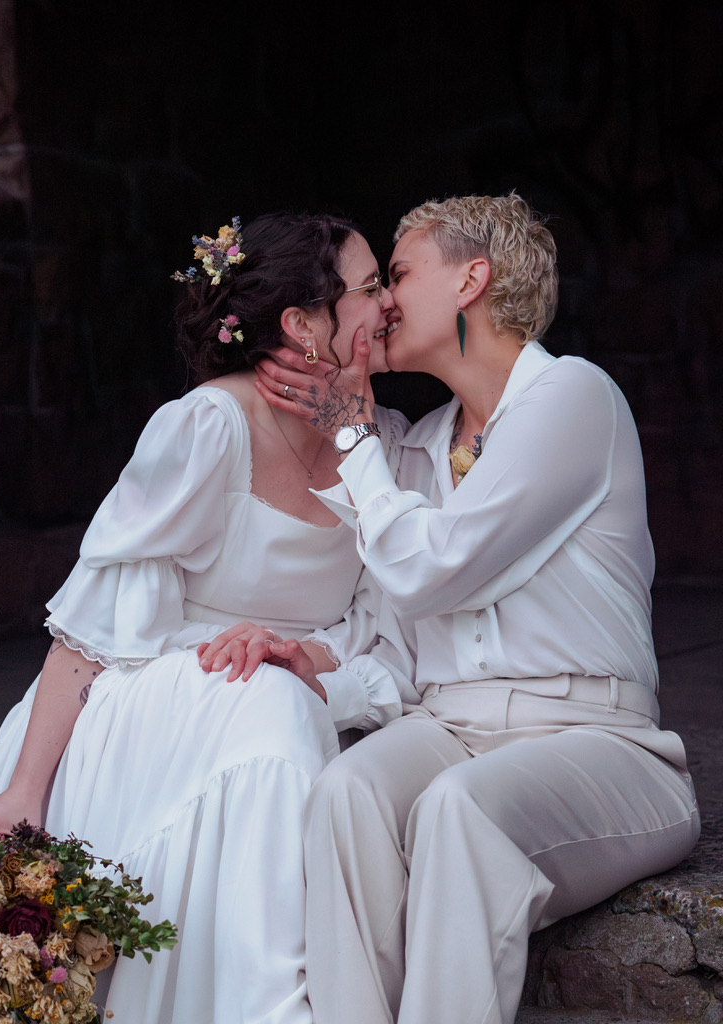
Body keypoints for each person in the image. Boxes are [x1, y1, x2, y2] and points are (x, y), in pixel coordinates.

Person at [242, 193, 700, 1024]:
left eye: (400, 273)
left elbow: (434, 570)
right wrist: (307, 672)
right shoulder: (418, 447)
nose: (383, 301)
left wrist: (352, 436)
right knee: (346, 792)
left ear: (471, 280)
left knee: (457, 809)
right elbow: (399, 646)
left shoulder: (572, 397)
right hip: (451, 725)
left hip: (601, 741)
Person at [0, 211, 411, 1024]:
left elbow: (381, 629)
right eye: (371, 285)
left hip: (291, 689)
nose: (389, 304)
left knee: (280, 699)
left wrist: (295, 653)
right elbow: (95, 622)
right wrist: (26, 793)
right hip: (154, 702)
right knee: (269, 703)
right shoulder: (209, 425)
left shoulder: (383, 441)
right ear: (302, 324)